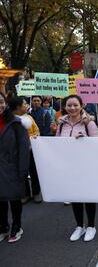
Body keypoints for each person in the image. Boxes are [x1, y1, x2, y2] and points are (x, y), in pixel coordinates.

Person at [56, 95, 98, 242]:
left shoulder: (89, 123)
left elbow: (97, 145)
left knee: (88, 197)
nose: (72, 108)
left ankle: (91, 226)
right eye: (69, 105)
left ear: (82, 105)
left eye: (75, 105)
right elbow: (55, 145)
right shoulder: (61, 124)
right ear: (65, 107)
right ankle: (79, 226)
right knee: (75, 196)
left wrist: (85, 140)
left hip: (86, 167)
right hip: (69, 167)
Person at [0, 92, 30, 243]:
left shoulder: (17, 123)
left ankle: (16, 226)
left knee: (14, 199)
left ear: (5, 103)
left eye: (1, 102)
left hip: (13, 167)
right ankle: (3, 226)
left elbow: (24, 147)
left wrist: (22, 169)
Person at [8, 97, 40, 204]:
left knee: (34, 172)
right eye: (24, 104)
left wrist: (31, 140)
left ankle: (36, 193)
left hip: (31, 150)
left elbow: (36, 131)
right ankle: (25, 194)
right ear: (17, 107)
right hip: (16, 152)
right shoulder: (10, 120)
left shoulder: (29, 118)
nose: (27, 106)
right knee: (22, 173)